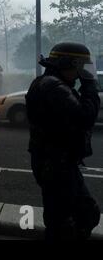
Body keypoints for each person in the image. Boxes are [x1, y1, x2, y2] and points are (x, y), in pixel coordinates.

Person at [25, 42, 101, 240]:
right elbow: (85, 116)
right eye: (81, 68)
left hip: (59, 162)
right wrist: (90, 84)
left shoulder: (51, 83)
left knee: (85, 213)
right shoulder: (53, 86)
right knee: (62, 224)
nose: (80, 73)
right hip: (55, 165)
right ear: (69, 63)